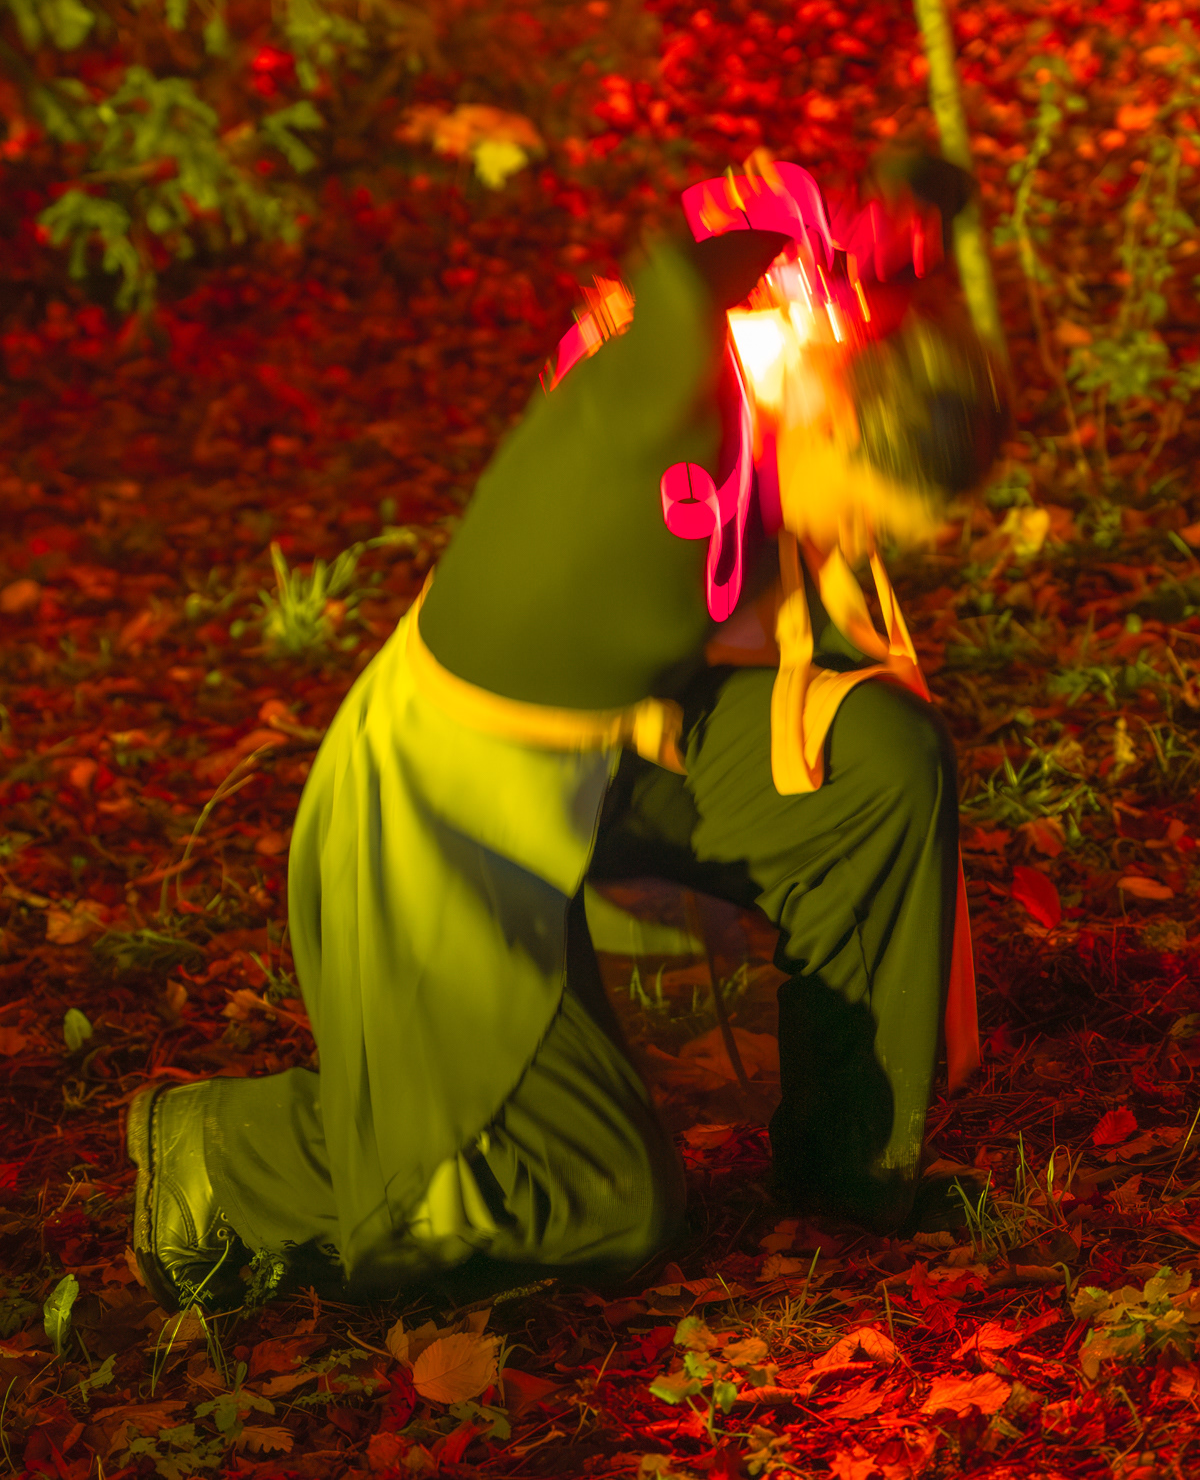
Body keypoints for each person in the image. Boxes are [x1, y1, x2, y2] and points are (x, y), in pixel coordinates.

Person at [128, 152, 1008, 1315]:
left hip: (629, 743)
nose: (851, 532)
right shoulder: (666, 395)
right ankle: (230, 1150)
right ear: (832, 402)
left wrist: (889, 227)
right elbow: (700, 251)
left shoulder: (804, 379)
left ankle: (853, 1173)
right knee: (607, 1204)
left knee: (879, 768)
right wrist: (808, 216)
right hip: (445, 813)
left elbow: (850, 270)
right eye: (858, 500)